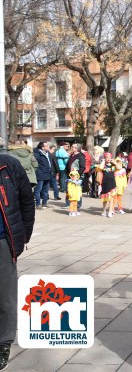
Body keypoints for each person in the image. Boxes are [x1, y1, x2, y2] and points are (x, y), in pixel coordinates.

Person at [0, 150, 35, 372]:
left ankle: (3, 343)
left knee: (5, 297)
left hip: (2, 241)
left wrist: (22, 236)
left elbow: (26, 202)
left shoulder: (9, 166)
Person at [33, 142, 52, 210]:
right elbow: (35, 164)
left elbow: (50, 163)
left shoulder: (48, 153)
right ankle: (38, 204)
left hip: (47, 174)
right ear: (42, 147)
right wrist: (40, 170)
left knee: (46, 190)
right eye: (46, 145)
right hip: (40, 174)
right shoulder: (37, 154)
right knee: (38, 190)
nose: (48, 146)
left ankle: (45, 203)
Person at [97, 153, 117, 218]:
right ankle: (104, 210)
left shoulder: (113, 165)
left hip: (112, 183)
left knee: (111, 198)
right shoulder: (103, 165)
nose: (108, 159)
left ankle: (110, 211)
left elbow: (120, 167)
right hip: (105, 183)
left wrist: (115, 162)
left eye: (109, 157)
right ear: (105, 158)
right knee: (105, 199)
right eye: (107, 157)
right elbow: (100, 167)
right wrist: (103, 161)